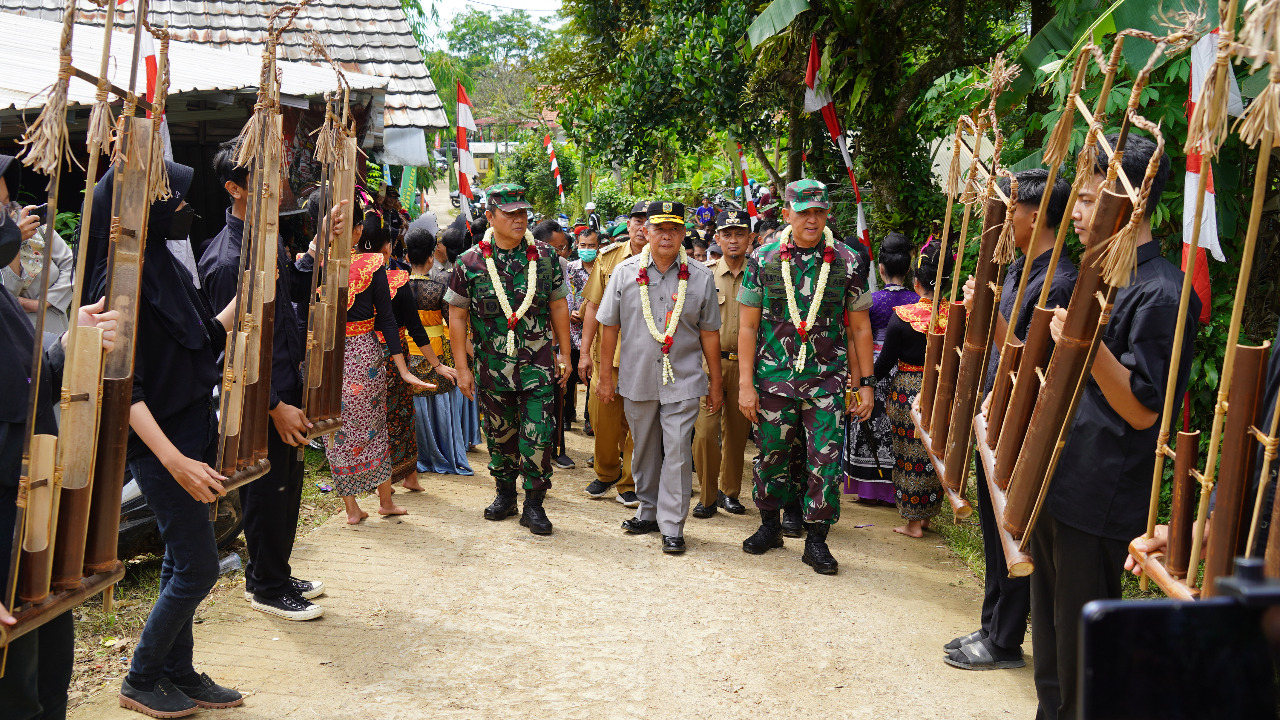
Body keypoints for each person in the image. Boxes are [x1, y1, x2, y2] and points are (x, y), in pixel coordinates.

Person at [1031, 134, 1197, 720]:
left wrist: (1086, 347)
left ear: (1128, 200)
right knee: (1050, 643)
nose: (1074, 212)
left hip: (1102, 494)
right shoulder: (1098, 274)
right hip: (1062, 477)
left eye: (1086, 198)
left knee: (1084, 655)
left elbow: (1143, 411)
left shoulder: (1164, 293)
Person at [96, 162, 245, 716]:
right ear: (148, 207)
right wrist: (174, 459)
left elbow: (204, 334)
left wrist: (250, 297)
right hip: (162, 447)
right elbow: (124, 392)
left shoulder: (165, 263)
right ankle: (140, 676)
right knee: (200, 567)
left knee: (180, 558)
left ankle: (177, 671)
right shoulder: (117, 281)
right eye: (177, 200)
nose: (188, 209)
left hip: (193, 429)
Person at [945, 169, 1076, 671]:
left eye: (1012, 209)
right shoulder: (1024, 268)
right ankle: (990, 625)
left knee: (1012, 528)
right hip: (995, 412)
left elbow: (1029, 361)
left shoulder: (1059, 278)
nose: (1003, 220)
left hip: (1024, 421)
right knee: (992, 523)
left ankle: (1004, 639)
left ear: (1038, 215)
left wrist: (988, 314)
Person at [199, 141, 331, 622]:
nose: (277, 185)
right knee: (264, 488)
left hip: (285, 384)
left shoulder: (267, 238)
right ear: (234, 188)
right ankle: (266, 586)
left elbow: (288, 303)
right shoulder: (227, 260)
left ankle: (274, 568)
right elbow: (231, 350)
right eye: (263, 176)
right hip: (258, 400)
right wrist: (274, 405)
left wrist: (312, 256)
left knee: (287, 486)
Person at [0, 213, 119, 720]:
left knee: (50, 679)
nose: (11, 220)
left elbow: (22, 390)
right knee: (17, 695)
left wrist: (68, 345)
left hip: (31, 514)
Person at [738, 179, 874, 575]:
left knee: (825, 462)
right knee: (771, 457)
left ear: (827, 214)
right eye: (804, 211)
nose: (812, 219)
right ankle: (770, 527)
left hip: (827, 382)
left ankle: (816, 541)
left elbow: (860, 328)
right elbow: (747, 327)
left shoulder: (848, 261)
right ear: (787, 215)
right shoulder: (763, 259)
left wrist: (864, 384)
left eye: (819, 211)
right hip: (773, 379)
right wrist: (746, 385)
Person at [597, 200, 722, 553]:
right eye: (659, 228)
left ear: (684, 233)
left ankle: (672, 525)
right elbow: (609, 327)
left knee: (679, 450)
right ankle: (648, 510)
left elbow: (710, 333)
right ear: (645, 231)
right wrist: (605, 377)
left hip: (683, 378)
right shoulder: (624, 272)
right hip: (637, 377)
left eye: (674, 229)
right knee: (644, 449)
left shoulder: (700, 276)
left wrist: (714, 382)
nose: (666, 235)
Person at [446, 183, 572, 535]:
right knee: (500, 436)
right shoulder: (469, 262)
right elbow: (457, 316)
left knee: (538, 436)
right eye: (510, 213)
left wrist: (564, 352)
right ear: (490, 216)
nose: (520, 219)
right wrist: (462, 368)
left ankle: (534, 505)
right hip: (492, 369)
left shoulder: (545, 257)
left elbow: (558, 304)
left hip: (538, 368)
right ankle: (505, 494)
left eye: (523, 212)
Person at [327, 201, 432, 525]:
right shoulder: (373, 266)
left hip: (329, 355)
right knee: (375, 429)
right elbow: (386, 321)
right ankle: (385, 501)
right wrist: (402, 368)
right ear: (356, 232)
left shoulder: (313, 265)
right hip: (364, 356)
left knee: (336, 432)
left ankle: (352, 510)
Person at [875, 238, 953, 538]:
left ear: (916, 283)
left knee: (908, 454)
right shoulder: (961, 317)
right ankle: (928, 517)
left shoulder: (903, 316)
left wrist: (864, 384)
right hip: (944, 390)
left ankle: (911, 523)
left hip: (908, 389)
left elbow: (884, 363)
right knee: (934, 453)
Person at [578, 200, 650, 507]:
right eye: (637, 220)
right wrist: (583, 354)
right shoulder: (608, 259)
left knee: (640, 424)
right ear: (629, 224)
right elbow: (592, 306)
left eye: (650, 221)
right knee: (602, 419)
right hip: (605, 356)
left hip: (646, 357)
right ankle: (606, 472)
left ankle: (629, 481)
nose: (643, 226)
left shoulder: (668, 261)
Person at [841, 232, 918, 506]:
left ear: (880, 268)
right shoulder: (919, 301)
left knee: (868, 421)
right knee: (899, 427)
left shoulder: (870, 300)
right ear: (909, 268)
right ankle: (897, 487)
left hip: (870, 367)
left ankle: (867, 488)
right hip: (906, 370)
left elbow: (856, 335)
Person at [692, 210, 753, 519]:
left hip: (745, 367)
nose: (733, 240)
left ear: (750, 239)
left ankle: (730, 492)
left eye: (739, 233)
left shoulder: (761, 275)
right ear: (716, 238)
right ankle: (706, 495)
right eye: (727, 234)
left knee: (737, 435)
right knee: (704, 432)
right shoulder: (703, 274)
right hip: (707, 365)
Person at [403, 225, 470, 476]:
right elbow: (455, 329)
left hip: (407, 358)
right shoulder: (439, 289)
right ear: (431, 257)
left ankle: (415, 456)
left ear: (407, 257)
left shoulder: (396, 289)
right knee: (439, 405)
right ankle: (442, 453)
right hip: (436, 356)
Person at [0, 155, 75, 336]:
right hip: (18, 333)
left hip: (54, 324)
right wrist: (14, 240)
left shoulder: (36, 226)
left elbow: (71, 266)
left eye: (6, 201)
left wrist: (45, 302)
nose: (6, 209)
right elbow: (8, 293)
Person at [533, 219, 576, 470]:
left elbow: (562, 307)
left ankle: (557, 448)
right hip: (525, 345)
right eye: (558, 247)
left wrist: (563, 349)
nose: (562, 252)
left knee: (556, 395)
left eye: (563, 248)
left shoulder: (559, 265)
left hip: (552, 342)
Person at [566, 229, 601, 435]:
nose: (587, 250)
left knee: (591, 375)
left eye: (591, 246)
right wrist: (569, 311)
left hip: (595, 331)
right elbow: (561, 295)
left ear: (598, 247)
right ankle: (568, 414)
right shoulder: (570, 268)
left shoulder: (602, 268)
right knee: (569, 374)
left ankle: (590, 418)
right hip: (571, 330)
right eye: (583, 246)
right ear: (577, 246)